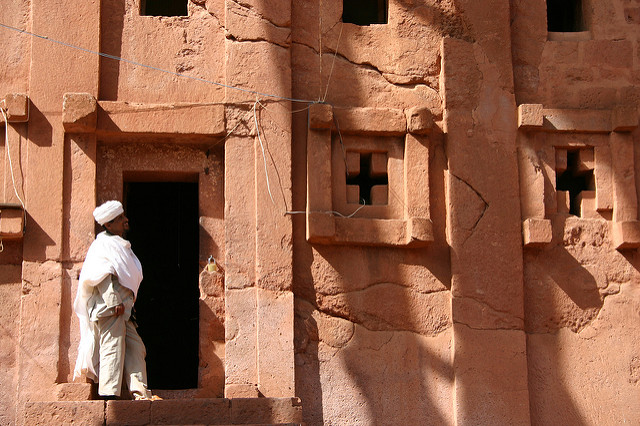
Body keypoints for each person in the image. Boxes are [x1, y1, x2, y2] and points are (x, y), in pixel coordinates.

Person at [73, 200, 159, 400]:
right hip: (110, 307)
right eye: (120, 218)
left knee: (136, 348)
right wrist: (113, 301)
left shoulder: (120, 245)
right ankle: (109, 396)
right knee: (113, 347)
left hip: (124, 309)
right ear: (108, 225)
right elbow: (101, 275)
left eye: (123, 216)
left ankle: (140, 392)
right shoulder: (102, 245)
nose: (125, 220)